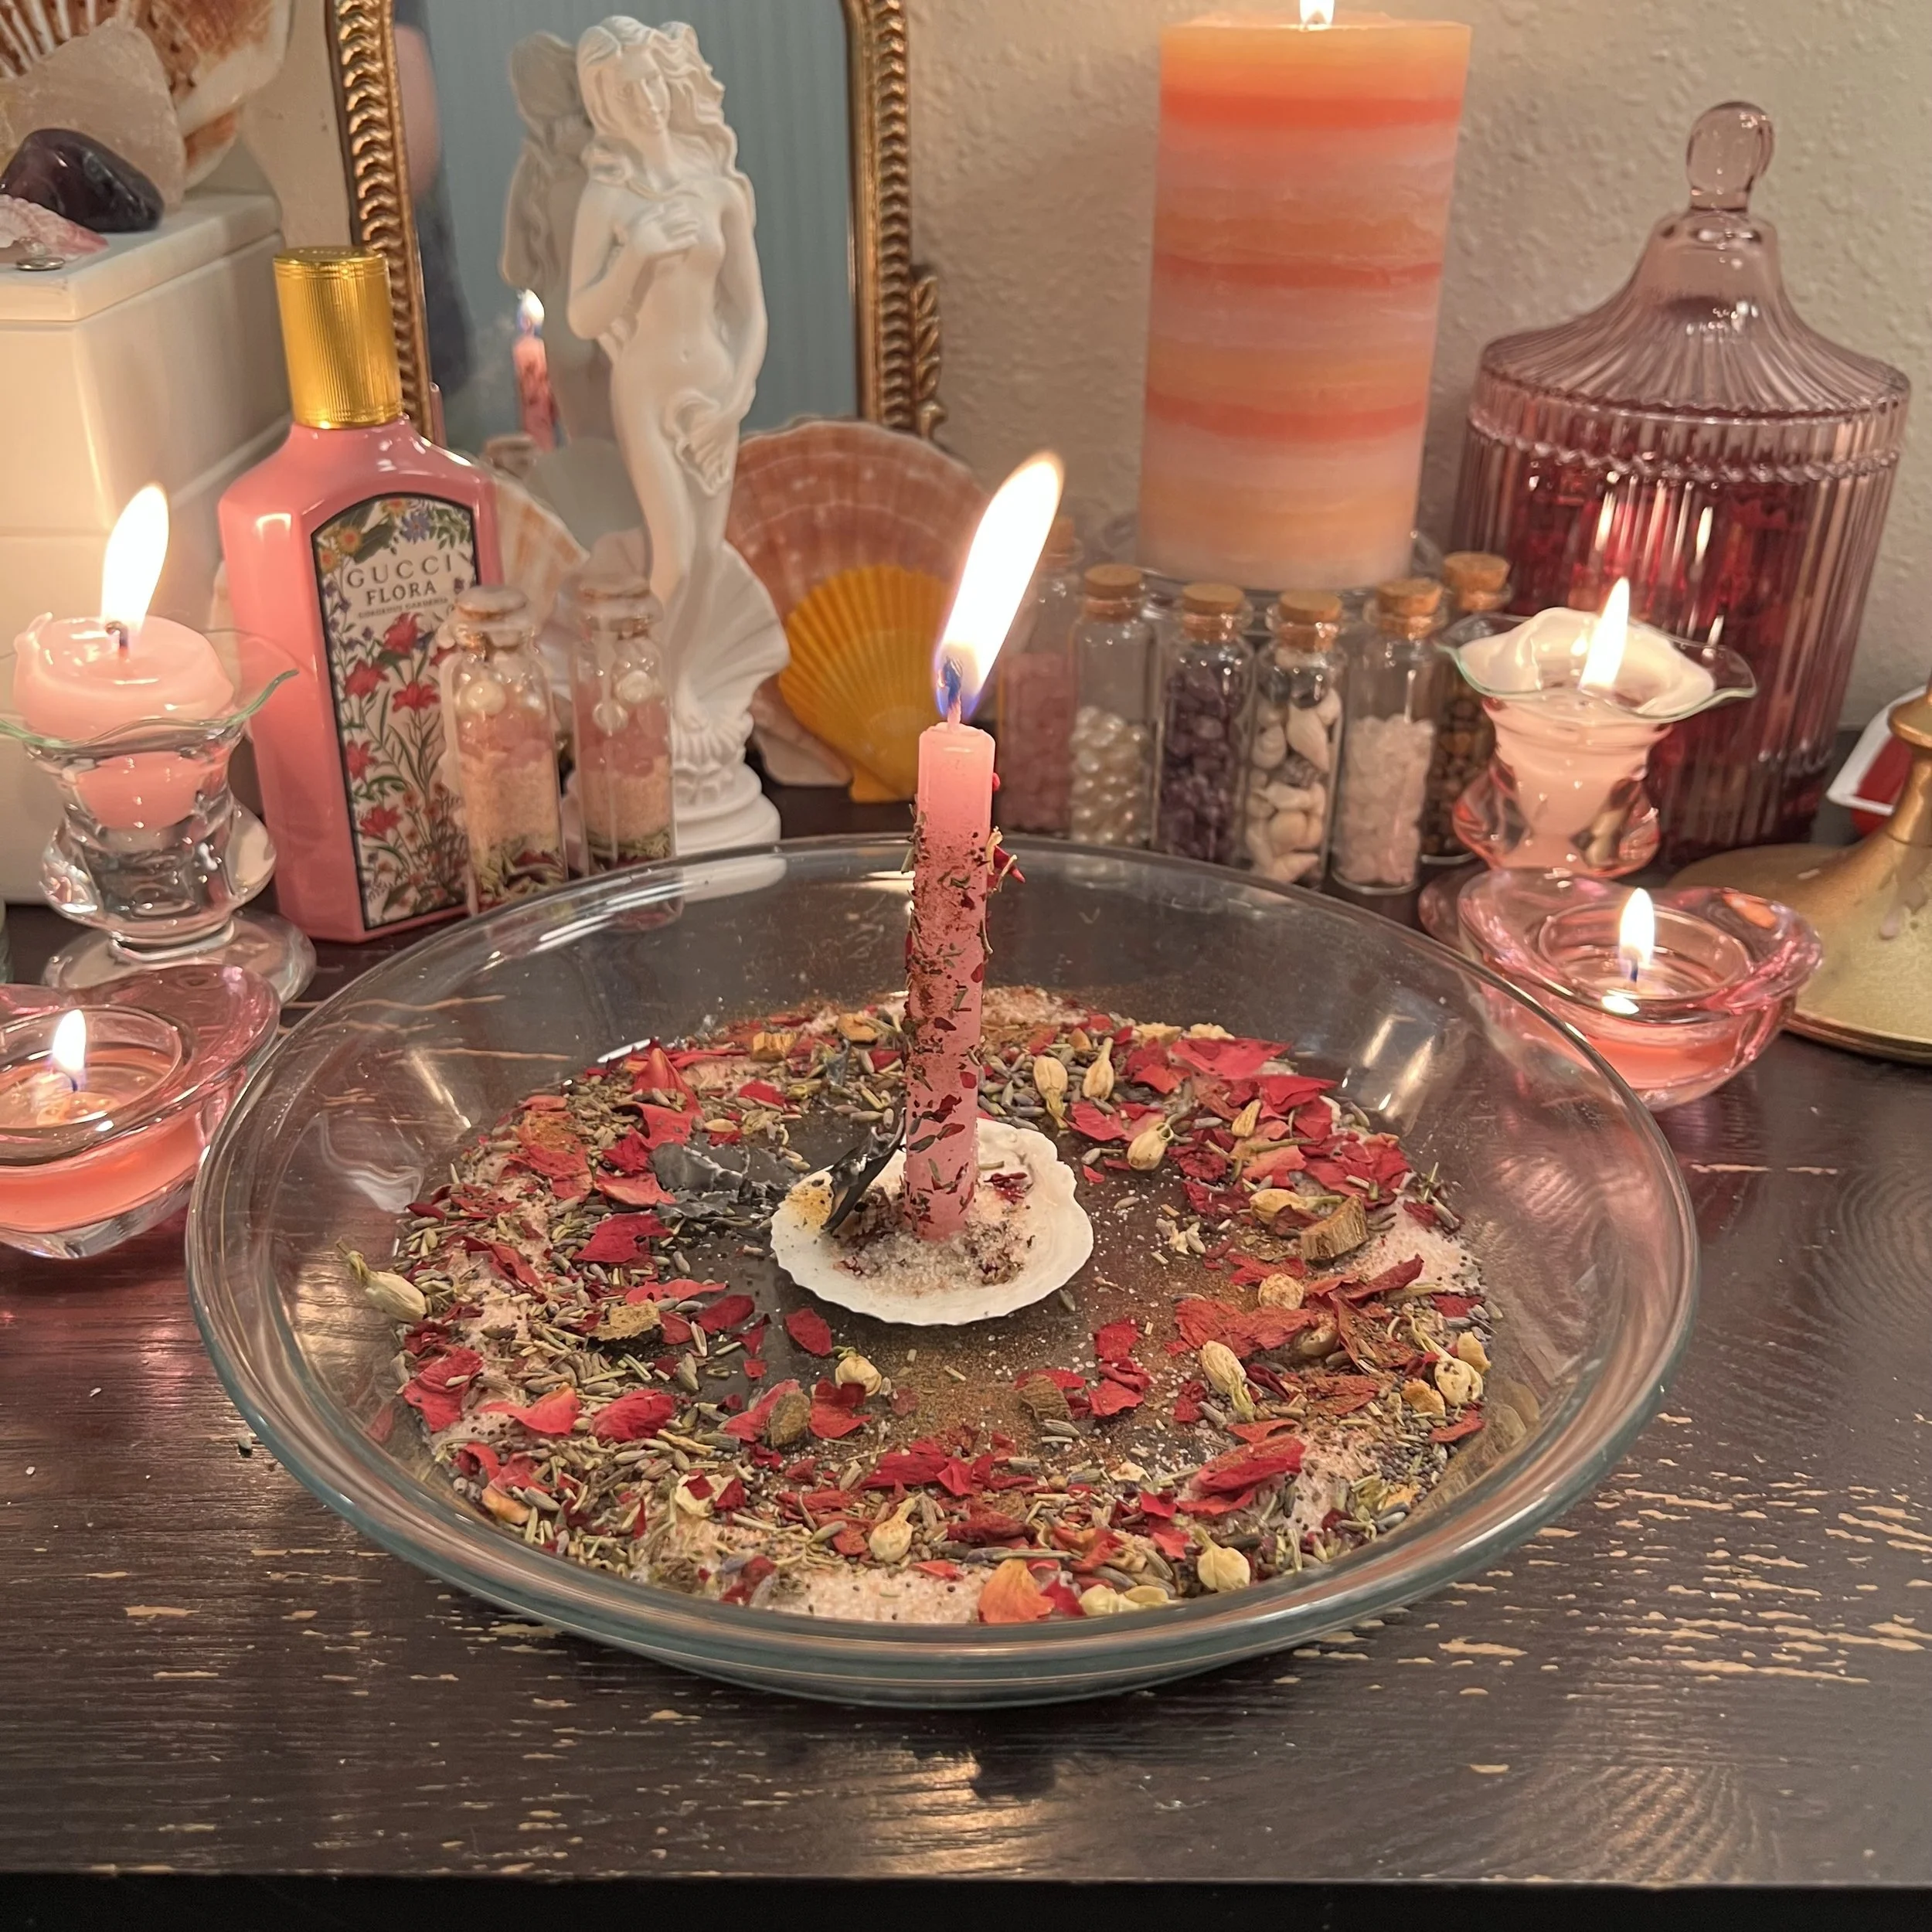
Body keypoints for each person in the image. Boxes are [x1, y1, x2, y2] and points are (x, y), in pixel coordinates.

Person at [567, 18, 768, 640]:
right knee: (675, 561)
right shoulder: (606, 199)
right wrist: (634, 256)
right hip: (647, 393)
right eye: (628, 92)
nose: (648, 102)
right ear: (604, 103)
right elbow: (581, 317)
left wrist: (731, 406)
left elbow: (750, 311)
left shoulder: (720, 191)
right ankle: (643, 687)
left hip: (712, 389)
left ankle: (682, 693)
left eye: (652, 83)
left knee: (708, 558)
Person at [502, 32, 612, 445]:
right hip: (619, 323)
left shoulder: (532, 174)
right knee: (635, 460)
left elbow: (514, 266)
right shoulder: (612, 160)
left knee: (588, 453)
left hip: (566, 324)